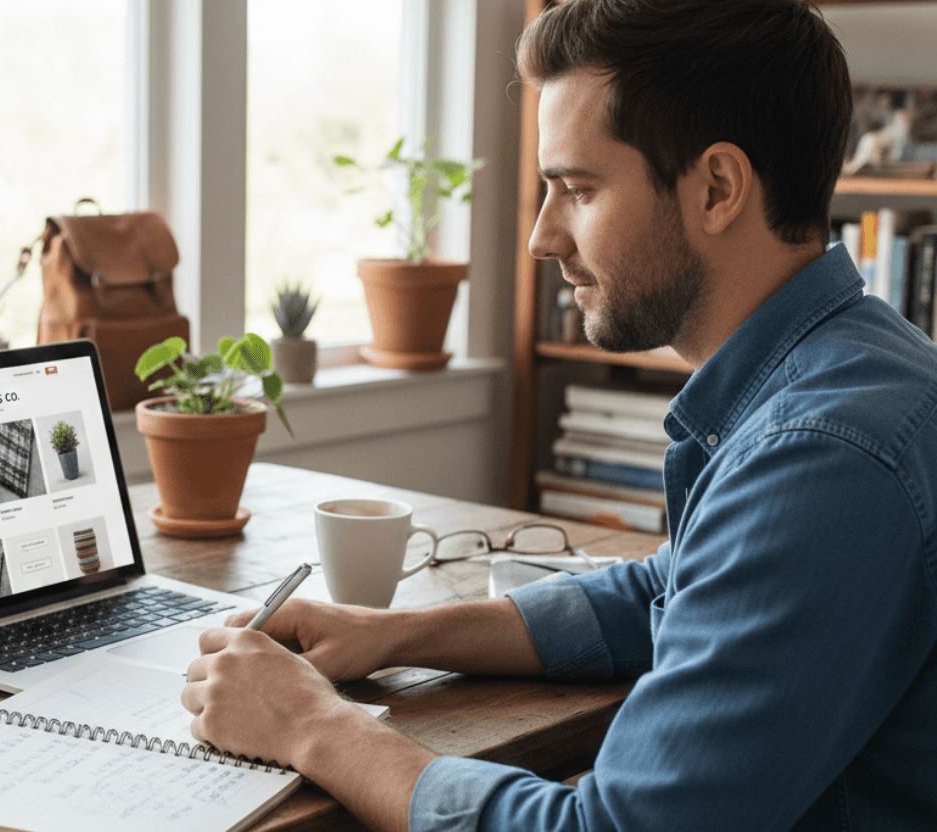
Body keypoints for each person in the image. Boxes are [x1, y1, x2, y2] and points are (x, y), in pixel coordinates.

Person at [180, 1, 937, 829]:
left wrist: (309, 725)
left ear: (717, 187)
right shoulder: (859, 362)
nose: (541, 237)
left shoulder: (822, 458)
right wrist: (393, 634)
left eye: (577, 189)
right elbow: (673, 589)